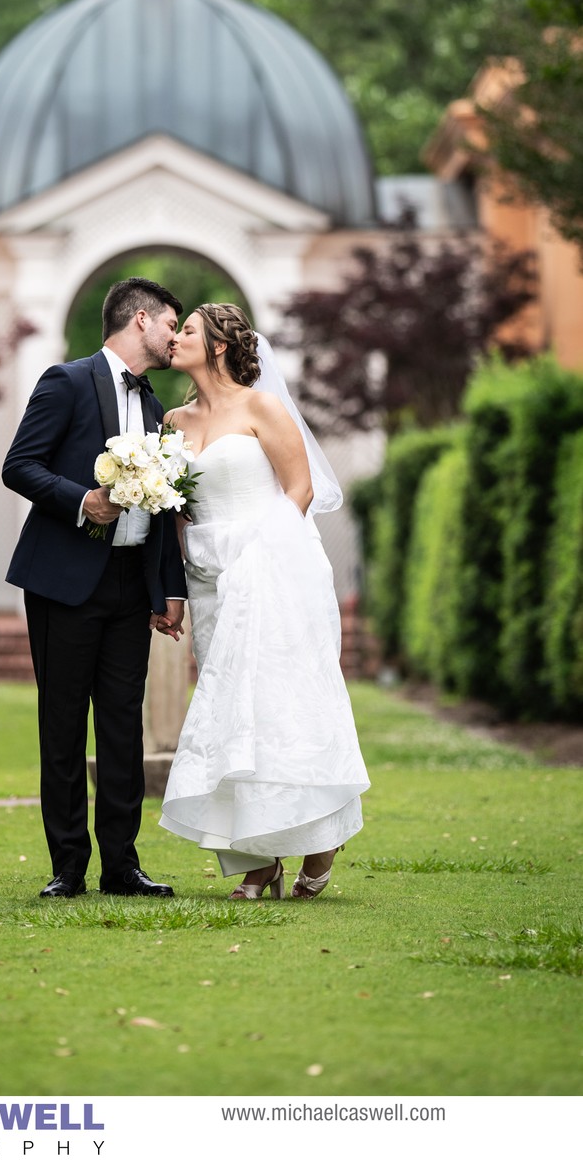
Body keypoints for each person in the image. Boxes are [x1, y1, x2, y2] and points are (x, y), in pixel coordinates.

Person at [159, 304, 370, 899]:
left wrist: (260, 560)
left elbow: (299, 488)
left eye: (189, 331)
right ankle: (258, 858)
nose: (176, 339)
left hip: (271, 568)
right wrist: (174, 586)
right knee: (231, 711)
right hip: (208, 576)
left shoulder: (263, 407)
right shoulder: (173, 421)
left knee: (283, 703)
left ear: (220, 345)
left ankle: (318, 838)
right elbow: (174, 512)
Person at [2, 277, 187, 899]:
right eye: (170, 325)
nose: (173, 337)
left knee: (121, 728)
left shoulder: (159, 409)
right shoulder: (66, 381)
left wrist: (167, 592)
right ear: (140, 320)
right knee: (61, 726)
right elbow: (19, 465)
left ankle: (121, 865)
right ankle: (67, 868)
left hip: (131, 585)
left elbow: (164, 512)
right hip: (64, 581)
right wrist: (83, 500)